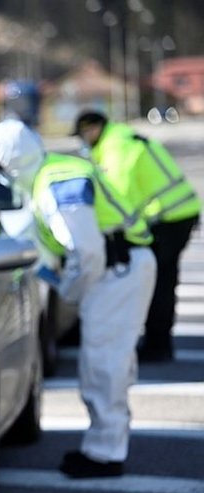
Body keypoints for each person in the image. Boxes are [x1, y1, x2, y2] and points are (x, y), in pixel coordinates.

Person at [0, 119, 156, 479]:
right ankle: (106, 444)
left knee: (104, 364)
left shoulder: (56, 183)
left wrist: (69, 295)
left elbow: (87, 251)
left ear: (11, 165)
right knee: (110, 362)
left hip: (116, 270)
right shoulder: (50, 175)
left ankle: (104, 454)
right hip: (118, 268)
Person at [73, 111, 201, 362]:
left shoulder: (115, 148)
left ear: (93, 128)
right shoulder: (120, 138)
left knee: (156, 283)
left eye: (83, 135)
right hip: (178, 214)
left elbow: (119, 198)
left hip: (168, 219)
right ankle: (159, 342)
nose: (83, 141)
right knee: (162, 280)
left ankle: (157, 346)